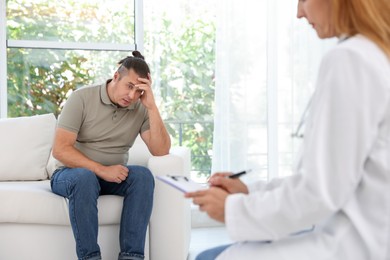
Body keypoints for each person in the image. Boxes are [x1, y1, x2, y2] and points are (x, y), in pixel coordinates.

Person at [186, 0, 390, 259]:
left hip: (352, 245)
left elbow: (319, 193)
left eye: (303, 0)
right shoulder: (375, 54)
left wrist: (233, 210)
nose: (299, 13)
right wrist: (249, 191)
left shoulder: (350, 59)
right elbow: (328, 178)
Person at [51, 51, 171, 260]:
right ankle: (90, 257)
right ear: (116, 76)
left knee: (143, 176)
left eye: (139, 90)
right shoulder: (82, 98)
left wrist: (152, 106)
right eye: (129, 86)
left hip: (111, 177)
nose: (132, 96)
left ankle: (131, 257)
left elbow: (160, 150)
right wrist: (101, 169)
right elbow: (60, 149)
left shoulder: (140, 108)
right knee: (84, 177)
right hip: (70, 175)